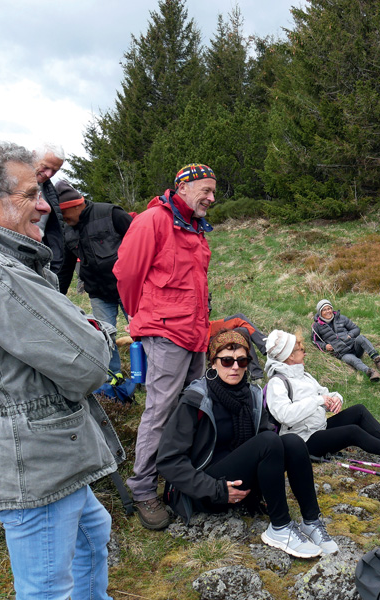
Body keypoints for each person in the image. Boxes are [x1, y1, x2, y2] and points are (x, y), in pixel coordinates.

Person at [0, 140, 123, 599]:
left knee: (93, 537)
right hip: (34, 460)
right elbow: (92, 363)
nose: (44, 206)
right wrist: (95, 331)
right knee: (45, 589)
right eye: (30, 195)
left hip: (53, 450)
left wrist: (85, 329)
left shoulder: (4, 265)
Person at [156, 330, 336, 558]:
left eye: (242, 361)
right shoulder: (195, 400)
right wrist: (217, 490)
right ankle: (280, 528)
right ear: (212, 363)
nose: (235, 367)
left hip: (241, 485)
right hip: (207, 491)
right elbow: (168, 461)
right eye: (227, 360)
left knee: (292, 441)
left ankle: (311, 520)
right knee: (270, 440)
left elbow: (263, 449)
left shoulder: (251, 394)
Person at [114, 163, 215, 529]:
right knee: (160, 411)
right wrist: (139, 317)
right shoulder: (153, 221)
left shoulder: (196, 228)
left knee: (190, 409)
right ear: (183, 188)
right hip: (164, 333)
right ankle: (142, 488)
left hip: (195, 334)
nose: (211, 198)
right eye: (205, 190)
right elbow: (126, 275)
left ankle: (177, 479)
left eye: (213, 192)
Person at [264, 330, 380, 468]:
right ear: (288, 356)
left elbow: (324, 392)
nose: (305, 352)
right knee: (352, 432)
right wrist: (319, 401)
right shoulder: (276, 383)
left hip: (320, 428)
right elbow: (285, 415)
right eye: (300, 349)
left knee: (359, 410)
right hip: (303, 441)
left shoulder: (304, 375)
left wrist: (335, 398)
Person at [58, 180, 133, 382]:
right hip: (99, 293)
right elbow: (65, 268)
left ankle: (146, 375)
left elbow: (141, 242)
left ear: (75, 205)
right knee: (103, 338)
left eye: (64, 213)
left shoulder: (111, 213)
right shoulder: (68, 230)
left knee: (142, 334)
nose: (63, 219)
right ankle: (112, 377)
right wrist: (55, 296)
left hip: (129, 291)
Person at [34, 143, 78, 294]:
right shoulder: (11, 183)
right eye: (45, 167)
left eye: (55, 170)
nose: (48, 174)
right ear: (33, 156)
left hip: (41, 258)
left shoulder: (49, 190)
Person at [311, 299, 380, 381]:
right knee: (354, 360)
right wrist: (325, 346)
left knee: (361, 338)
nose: (328, 311)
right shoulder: (316, 326)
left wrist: (350, 335)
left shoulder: (341, 318)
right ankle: (371, 372)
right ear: (320, 312)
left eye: (329, 308)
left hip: (354, 346)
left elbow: (356, 329)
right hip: (342, 353)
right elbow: (314, 341)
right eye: (324, 310)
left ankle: (377, 360)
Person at [208, 313, 269, 380]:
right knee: (242, 329)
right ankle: (269, 347)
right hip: (203, 332)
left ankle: (256, 374)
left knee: (241, 323)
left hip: (206, 326)